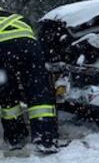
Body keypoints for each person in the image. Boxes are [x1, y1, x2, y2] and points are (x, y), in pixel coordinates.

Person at [0, 9, 59, 154]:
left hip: (2, 49)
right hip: (29, 47)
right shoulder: (16, 16)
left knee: (7, 95)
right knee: (38, 90)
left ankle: (16, 137)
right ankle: (45, 138)